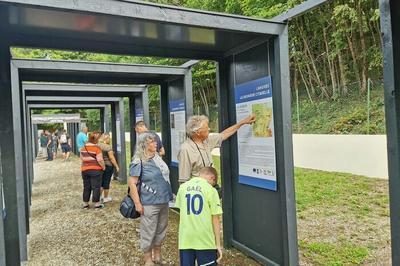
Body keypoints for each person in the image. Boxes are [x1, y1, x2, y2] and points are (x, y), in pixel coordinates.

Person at [128, 132, 172, 266]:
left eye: (155, 141)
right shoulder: (138, 161)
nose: (156, 143)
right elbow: (132, 183)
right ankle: (148, 260)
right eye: (152, 141)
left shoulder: (157, 157)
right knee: (148, 231)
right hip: (149, 202)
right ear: (144, 144)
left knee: (161, 229)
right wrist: (137, 204)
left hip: (163, 200)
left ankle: (157, 256)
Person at [177, 114, 256, 184]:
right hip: (198, 193)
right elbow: (183, 180)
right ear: (197, 132)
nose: (209, 129)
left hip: (212, 189)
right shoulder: (186, 149)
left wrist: (242, 123)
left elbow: (224, 134)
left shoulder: (207, 140)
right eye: (206, 127)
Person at [175, 166, 223, 266]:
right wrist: (218, 244)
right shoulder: (211, 190)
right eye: (213, 183)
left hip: (185, 239)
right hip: (205, 239)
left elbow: (181, 212)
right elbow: (216, 219)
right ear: (212, 178)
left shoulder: (182, 187)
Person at [80, 132, 105, 209]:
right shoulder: (97, 148)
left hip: (85, 170)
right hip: (95, 170)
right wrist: (103, 167)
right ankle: (96, 204)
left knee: (86, 186)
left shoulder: (83, 148)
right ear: (95, 140)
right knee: (96, 187)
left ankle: (85, 203)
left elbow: (82, 158)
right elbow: (100, 160)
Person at [98, 133, 120, 203]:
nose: (109, 140)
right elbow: (111, 158)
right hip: (108, 166)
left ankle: (99, 196)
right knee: (106, 181)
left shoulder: (97, 145)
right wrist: (116, 166)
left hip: (100, 165)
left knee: (101, 182)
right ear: (106, 138)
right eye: (109, 138)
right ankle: (106, 197)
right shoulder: (107, 147)